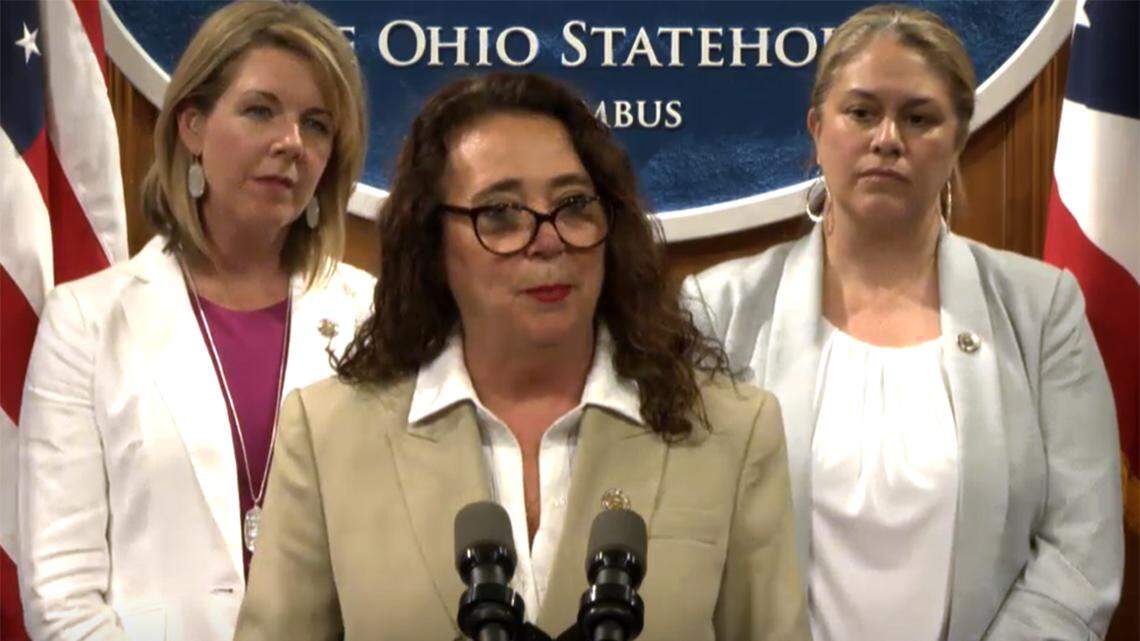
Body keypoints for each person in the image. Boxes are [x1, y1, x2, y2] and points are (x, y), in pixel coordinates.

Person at [234, 71, 810, 641]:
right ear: (433, 243)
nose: (550, 239)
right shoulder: (331, 433)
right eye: (501, 214)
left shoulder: (729, 430)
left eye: (574, 205)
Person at [682, 5, 1123, 641]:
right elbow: (687, 539)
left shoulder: (1042, 309)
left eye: (919, 117)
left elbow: (1082, 554)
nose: (887, 137)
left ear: (958, 139)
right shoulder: (719, 308)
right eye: (861, 112)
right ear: (817, 129)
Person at [17, 2, 374, 639]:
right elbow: (61, 593)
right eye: (261, 110)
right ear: (192, 126)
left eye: (316, 125)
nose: (291, 143)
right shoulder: (89, 321)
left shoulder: (370, 315)